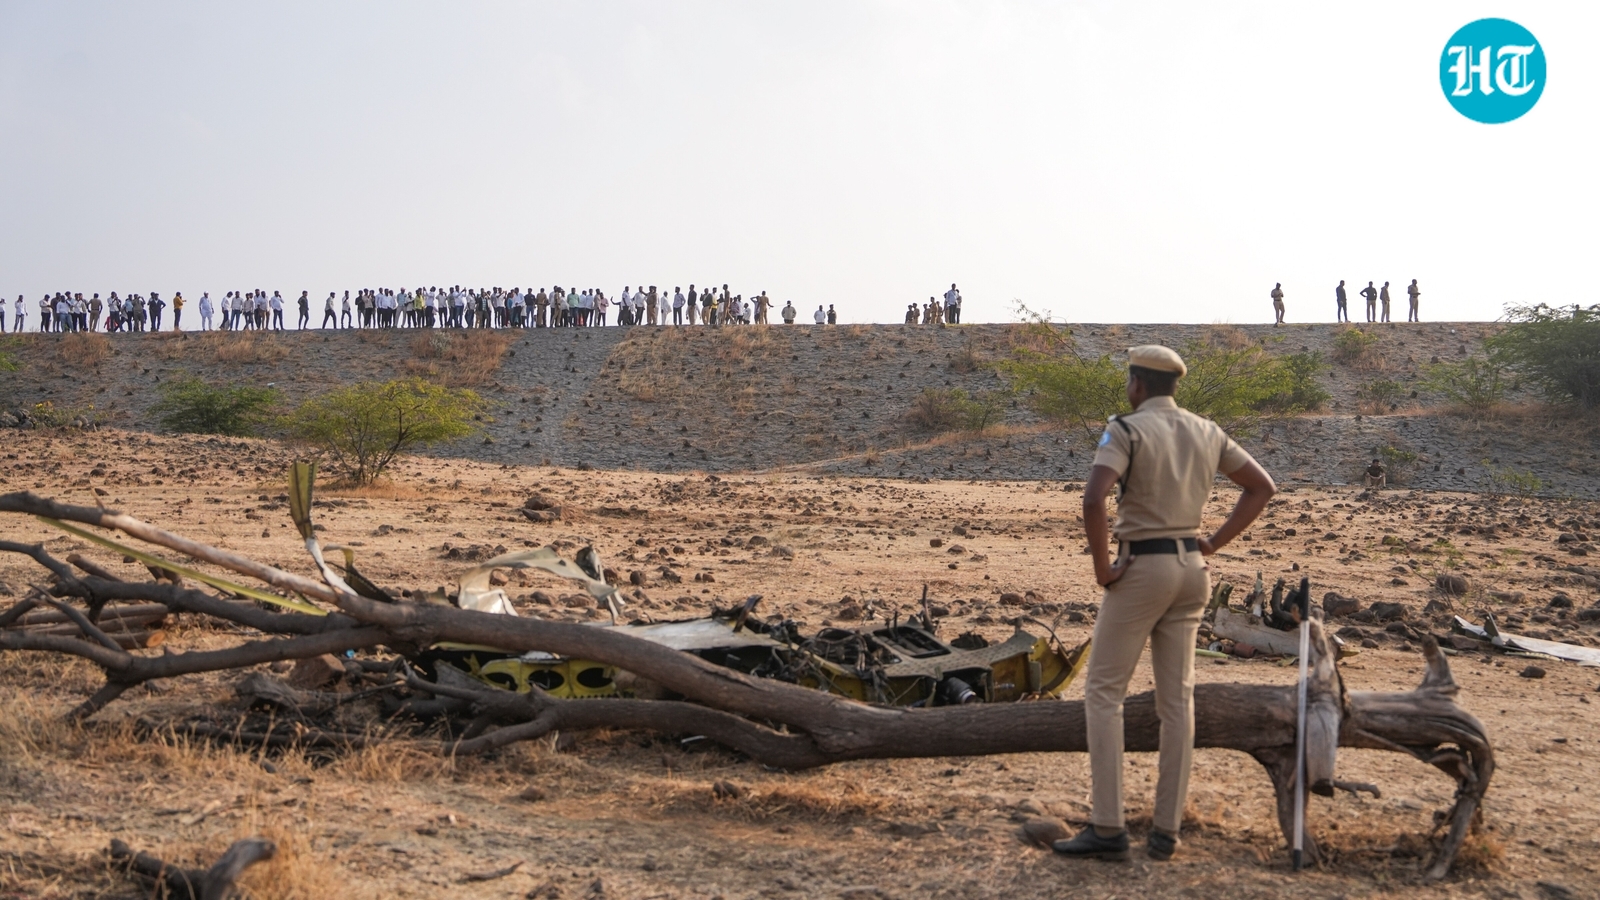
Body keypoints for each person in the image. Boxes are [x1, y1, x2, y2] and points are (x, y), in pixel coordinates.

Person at [1053, 345, 1274, 863]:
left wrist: (1102, 568)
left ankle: (1107, 827)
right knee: (1177, 701)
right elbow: (1261, 487)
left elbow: (1093, 498)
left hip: (1141, 569)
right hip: (1192, 570)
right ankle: (1166, 831)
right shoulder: (1207, 430)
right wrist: (1214, 541)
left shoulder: (1125, 429)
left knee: (1104, 695)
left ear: (1136, 384)